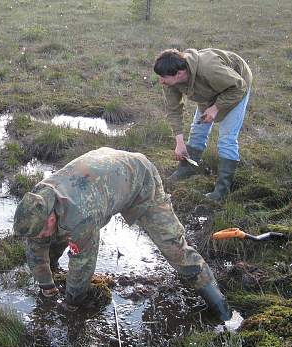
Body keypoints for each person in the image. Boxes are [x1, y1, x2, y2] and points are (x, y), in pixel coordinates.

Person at [13, 147, 231, 321]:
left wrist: (71, 305)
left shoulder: (81, 215)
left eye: (41, 231)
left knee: (174, 248)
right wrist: (47, 287)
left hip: (138, 178)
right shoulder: (38, 202)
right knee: (49, 240)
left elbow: (83, 264)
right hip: (104, 174)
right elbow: (35, 247)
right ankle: (52, 273)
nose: (38, 237)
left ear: (51, 217)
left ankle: (221, 309)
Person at [154, 48, 252, 200]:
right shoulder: (170, 82)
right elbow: (173, 110)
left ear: (179, 74)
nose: (161, 81)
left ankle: (221, 191)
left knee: (227, 138)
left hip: (236, 86)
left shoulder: (209, 68)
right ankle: (188, 168)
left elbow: (239, 86)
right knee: (198, 130)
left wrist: (216, 107)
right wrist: (179, 143)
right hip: (207, 89)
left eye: (163, 77)